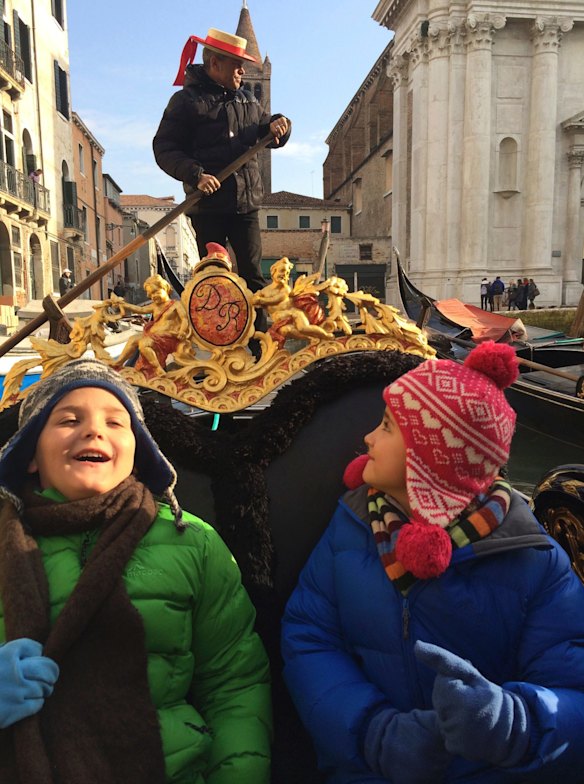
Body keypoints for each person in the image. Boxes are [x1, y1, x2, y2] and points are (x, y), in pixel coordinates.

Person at [282, 341, 584, 784]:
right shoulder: (350, 523)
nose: (367, 438)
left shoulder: (535, 560)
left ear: (430, 460)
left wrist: (513, 726)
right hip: (369, 767)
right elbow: (308, 637)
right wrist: (372, 731)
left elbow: (572, 691)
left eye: (386, 427)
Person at [0, 359, 271, 784]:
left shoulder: (193, 542)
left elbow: (234, 685)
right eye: (69, 419)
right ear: (31, 456)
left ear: (138, 454)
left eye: (115, 422)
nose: (93, 431)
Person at [153, 28, 291, 335]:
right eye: (236, 64)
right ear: (216, 65)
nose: (242, 70)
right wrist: (195, 175)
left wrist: (280, 124)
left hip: (246, 205)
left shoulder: (248, 102)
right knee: (214, 279)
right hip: (208, 207)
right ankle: (220, 344)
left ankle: (258, 346)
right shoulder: (184, 102)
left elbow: (266, 128)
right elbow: (164, 148)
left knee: (254, 277)